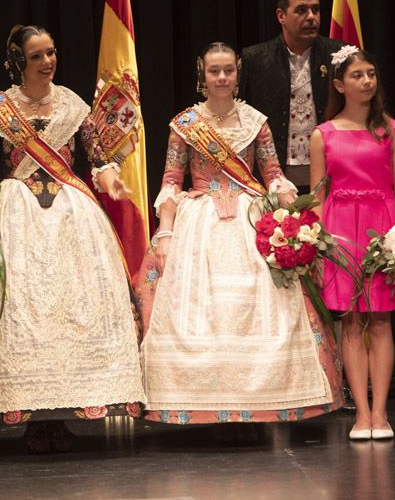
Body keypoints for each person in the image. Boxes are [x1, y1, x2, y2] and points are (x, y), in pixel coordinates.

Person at [0, 24, 145, 452]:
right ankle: (31, 415)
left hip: (72, 211)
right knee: (22, 309)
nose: (48, 62)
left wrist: (112, 185)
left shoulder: (74, 105)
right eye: (37, 56)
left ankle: (68, 411)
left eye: (51, 53)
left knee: (75, 306)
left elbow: (99, 160)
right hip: (15, 212)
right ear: (18, 62)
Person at [136, 43, 342, 431]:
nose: (222, 78)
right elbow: (169, 181)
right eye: (214, 71)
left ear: (238, 72)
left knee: (258, 304)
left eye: (228, 70)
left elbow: (272, 173)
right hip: (199, 220)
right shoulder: (185, 124)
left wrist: (287, 204)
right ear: (203, 74)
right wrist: (164, 232)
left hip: (250, 216)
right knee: (201, 309)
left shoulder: (254, 121)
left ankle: (262, 400)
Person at [309, 46, 395, 441]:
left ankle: (381, 411)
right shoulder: (323, 135)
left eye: (371, 74)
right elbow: (318, 197)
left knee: (382, 319)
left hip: (382, 229)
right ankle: (360, 413)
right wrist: (316, 244)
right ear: (339, 84)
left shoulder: (393, 131)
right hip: (341, 230)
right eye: (357, 75)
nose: (367, 81)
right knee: (352, 321)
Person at [239, 0, 344, 193]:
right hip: (272, 179)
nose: (311, 17)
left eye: (315, 10)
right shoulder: (255, 59)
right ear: (281, 16)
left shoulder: (338, 55)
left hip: (331, 175)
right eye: (302, 10)